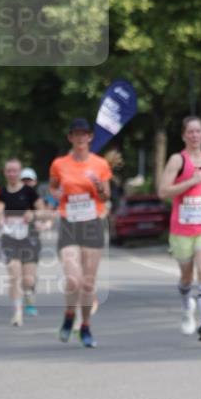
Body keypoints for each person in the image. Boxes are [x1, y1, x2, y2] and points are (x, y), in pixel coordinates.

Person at [159, 116, 201, 342]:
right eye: (191, 132)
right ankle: (188, 309)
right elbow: (163, 192)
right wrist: (191, 181)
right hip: (181, 228)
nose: (195, 135)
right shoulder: (178, 160)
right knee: (186, 277)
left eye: (198, 131)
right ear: (184, 135)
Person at [49, 118, 112, 348]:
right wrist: (56, 194)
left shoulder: (100, 164)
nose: (80, 138)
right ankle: (68, 315)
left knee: (87, 283)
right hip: (69, 223)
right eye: (76, 134)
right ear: (70, 138)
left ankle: (85, 326)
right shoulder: (59, 164)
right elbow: (53, 187)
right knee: (73, 279)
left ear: (90, 137)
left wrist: (98, 186)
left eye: (84, 134)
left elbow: (106, 197)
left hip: (92, 223)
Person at [0, 158, 43, 324]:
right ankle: (17, 312)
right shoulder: (1, 192)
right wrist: (0, 218)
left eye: (15, 171)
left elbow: (43, 210)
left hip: (29, 237)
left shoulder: (29, 192)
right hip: (9, 238)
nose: (12, 174)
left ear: (19, 172)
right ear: (5, 173)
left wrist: (34, 215)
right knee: (14, 275)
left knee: (28, 279)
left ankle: (29, 294)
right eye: (9, 171)